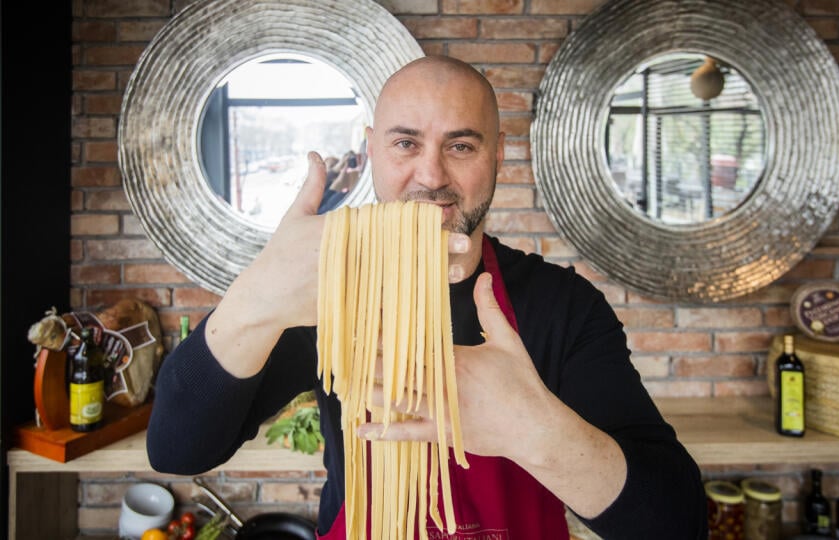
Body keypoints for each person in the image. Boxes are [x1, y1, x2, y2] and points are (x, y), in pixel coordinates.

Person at [147, 56, 707, 539]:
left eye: (460, 144)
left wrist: (533, 431)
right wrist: (254, 299)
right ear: (371, 150)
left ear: (497, 157)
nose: (430, 174)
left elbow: (677, 522)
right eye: (405, 143)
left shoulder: (564, 305)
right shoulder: (328, 295)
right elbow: (178, 451)